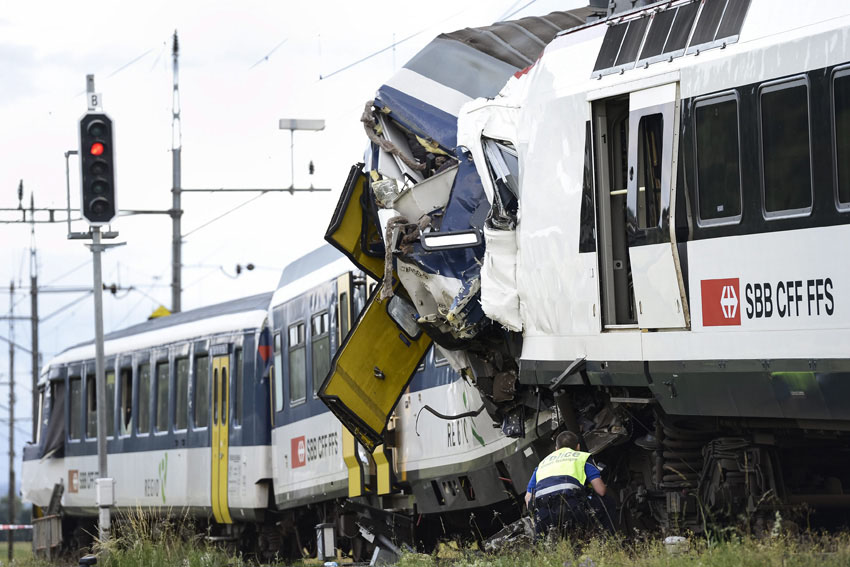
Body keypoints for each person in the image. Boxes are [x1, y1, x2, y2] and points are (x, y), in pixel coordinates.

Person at [525, 431, 611, 538]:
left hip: (544, 514)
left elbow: (528, 497)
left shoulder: (542, 464)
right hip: (570, 509)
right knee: (607, 502)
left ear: (556, 449)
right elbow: (601, 490)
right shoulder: (581, 457)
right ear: (578, 447)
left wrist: (536, 519)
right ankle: (610, 541)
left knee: (542, 543)